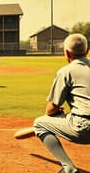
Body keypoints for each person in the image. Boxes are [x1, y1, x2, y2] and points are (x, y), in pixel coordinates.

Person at [33, 34, 90, 173]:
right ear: (87, 51)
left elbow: (50, 109)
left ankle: (69, 168)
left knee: (39, 123)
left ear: (66, 53)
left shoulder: (66, 71)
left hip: (84, 127)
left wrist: (57, 113)